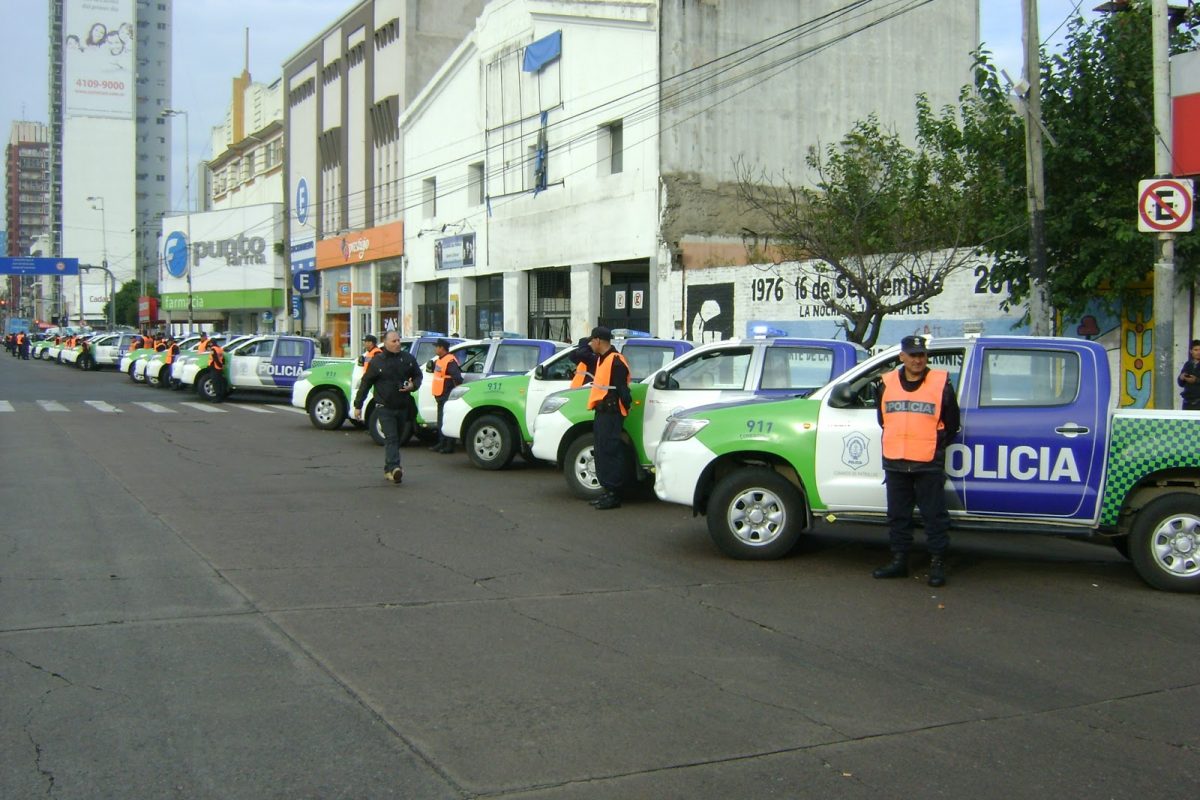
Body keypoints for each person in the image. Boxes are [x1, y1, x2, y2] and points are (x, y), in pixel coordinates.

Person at [873, 334, 961, 588]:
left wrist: (932, 445)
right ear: (902, 356)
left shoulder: (941, 384)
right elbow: (883, 419)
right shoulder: (886, 383)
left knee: (934, 516)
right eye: (912, 355)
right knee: (898, 516)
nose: (917, 360)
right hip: (895, 461)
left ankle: (937, 564)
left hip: (927, 462)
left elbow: (952, 424)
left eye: (921, 355)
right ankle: (899, 561)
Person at [352, 330, 423, 484]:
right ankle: (396, 467)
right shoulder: (377, 362)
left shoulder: (407, 359)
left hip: (403, 406)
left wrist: (413, 385)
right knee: (391, 437)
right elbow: (366, 383)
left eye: (398, 340)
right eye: (394, 341)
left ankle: (388, 469)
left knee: (397, 439)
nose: (398, 344)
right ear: (385, 343)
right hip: (384, 406)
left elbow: (418, 375)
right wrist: (358, 405)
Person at [573, 326, 632, 510]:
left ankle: (614, 494)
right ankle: (607, 491)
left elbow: (623, 391)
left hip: (612, 414)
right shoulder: (601, 359)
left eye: (592, 340)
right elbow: (577, 355)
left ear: (598, 340)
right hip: (601, 412)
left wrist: (624, 408)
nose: (591, 343)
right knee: (601, 452)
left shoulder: (616, 361)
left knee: (610, 451)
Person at [429, 338, 463, 453]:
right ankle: (441, 443)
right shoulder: (440, 359)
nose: (435, 349)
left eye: (436, 347)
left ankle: (449, 446)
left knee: (447, 420)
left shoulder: (450, 360)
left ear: (442, 348)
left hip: (446, 394)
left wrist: (453, 391)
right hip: (440, 394)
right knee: (441, 420)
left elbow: (457, 378)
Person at [1178, 340, 1200, 411]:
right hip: (1187, 402)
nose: (1198, 352)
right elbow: (1180, 384)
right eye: (1196, 350)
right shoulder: (1188, 364)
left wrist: (1196, 380)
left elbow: (1196, 380)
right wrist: (1181, 378)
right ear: (1191, 351)